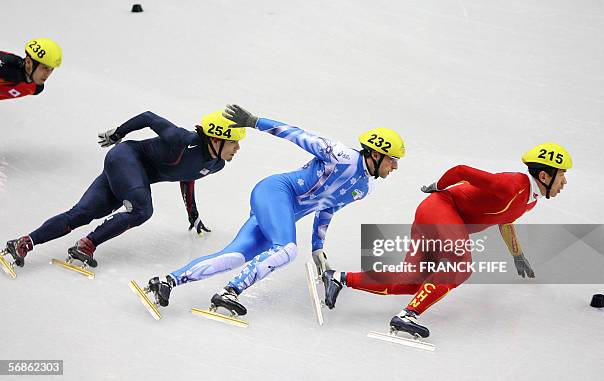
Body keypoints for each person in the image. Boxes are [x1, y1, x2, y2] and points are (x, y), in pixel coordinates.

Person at [141, 104, 405, 315]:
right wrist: (255, 121)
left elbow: (328, 209)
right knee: (287, 249)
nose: (394, 167)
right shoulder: (340, 155)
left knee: (234, 256)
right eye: (393, 161)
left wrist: (317, 248)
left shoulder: (365, 188)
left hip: (281, 213)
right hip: (276, 192)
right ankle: (231, 291)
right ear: (375, 154)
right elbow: (296, 134)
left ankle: (167, 281)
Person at [323, 143, 572, 338]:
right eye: (562, 175)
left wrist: (517, 255)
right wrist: (437, 186)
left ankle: (339, 278)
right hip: (440, 208)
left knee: (413, 282)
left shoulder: (530, 199)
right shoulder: (513, 184)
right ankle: (408, 315)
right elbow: (461, 171)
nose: (565, 182)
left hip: (437, 217)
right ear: (544, 175)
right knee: (460, 266)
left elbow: (505, 220)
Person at [1, 110, 244, 271]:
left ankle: (23, 242)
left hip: (132, 178)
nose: (238, 148)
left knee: (82, 213)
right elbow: (149, 117)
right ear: (216, 138)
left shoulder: (216, 164)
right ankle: (86, 245)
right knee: (141, 210)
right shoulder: (182, 139)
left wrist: (193, 213)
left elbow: (188, 176)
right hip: (125, 157)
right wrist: (118, 132)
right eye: (234, 142)